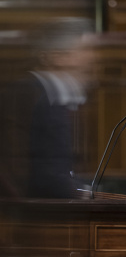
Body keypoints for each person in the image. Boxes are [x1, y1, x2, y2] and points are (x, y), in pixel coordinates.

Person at [0, 17, 96, 198]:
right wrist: (83, 195)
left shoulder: (59, 95)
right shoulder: (26, 94)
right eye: (84, 50)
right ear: (56, 57)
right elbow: (29, 171)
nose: (92, 57)